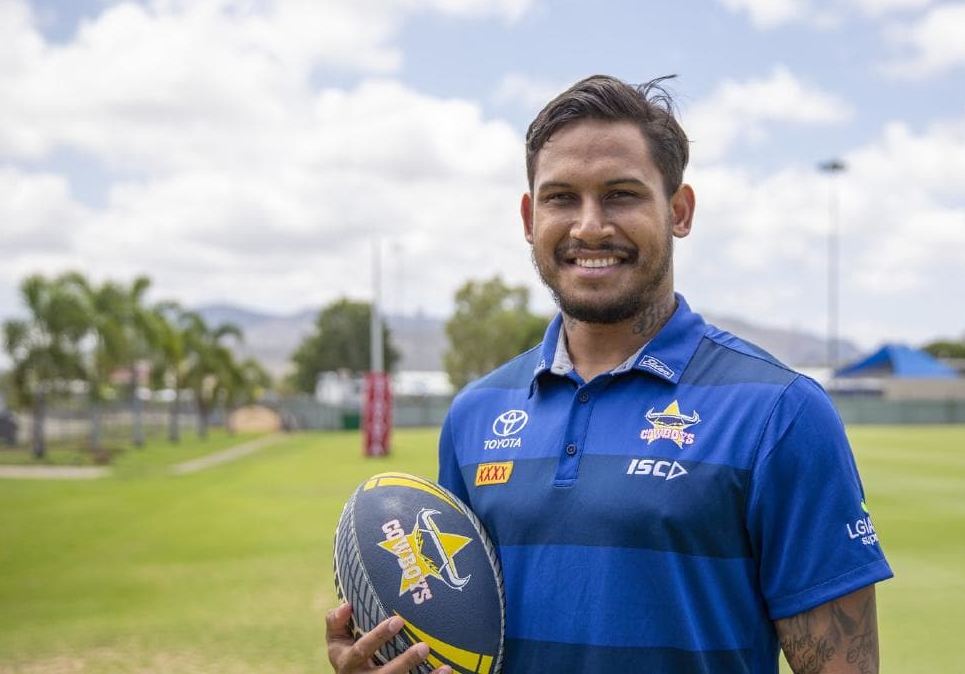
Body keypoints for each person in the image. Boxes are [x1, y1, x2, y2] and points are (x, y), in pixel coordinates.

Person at [326, 75, 892, 674]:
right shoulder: (475, 414)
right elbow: (455, 638)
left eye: (621, 195)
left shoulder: (779, 411)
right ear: (529, 217)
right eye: (561, 197)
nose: (590, 227)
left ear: (679, 210)